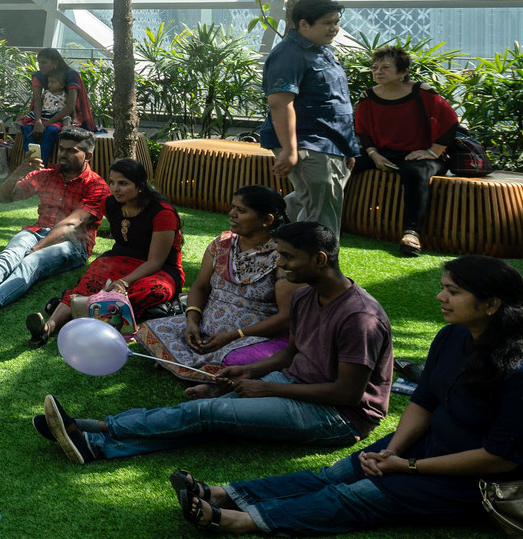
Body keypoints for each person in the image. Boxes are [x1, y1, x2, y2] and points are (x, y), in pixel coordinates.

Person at [176, 255, 523, 537]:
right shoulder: (455, 335)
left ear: (492, 304)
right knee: (338, 473)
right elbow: (424, 399)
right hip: (425, 447)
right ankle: (224, 493)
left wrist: (408, 468)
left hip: (470, 480)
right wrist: (396, 449)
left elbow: (497, 460)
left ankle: (242, 520)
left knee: (358, 495)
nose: (440, 298)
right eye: (444, 288)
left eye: (454, 292)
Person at [38, 221, 391, 464]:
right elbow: (290, 352)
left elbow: (347, 394)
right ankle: (95, 444)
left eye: (287, 258)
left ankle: (102, 429)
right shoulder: (303, 298)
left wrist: (267, 390)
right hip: (296, 383)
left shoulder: (360, 317)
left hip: (339, 417)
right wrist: (241, 375)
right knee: (207, 411)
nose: (280, 266)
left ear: (320, 260)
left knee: (211, 414)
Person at [0, 127, 108, 327]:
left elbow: (72, 224)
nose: (63, 154)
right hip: (36, 231)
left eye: (71, 150)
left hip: (74, 244)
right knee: (10, 253)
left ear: (88, 155)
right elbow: (3, 197)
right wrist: (21, 169)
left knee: (32, 262)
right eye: (62, 149)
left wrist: (35, 249)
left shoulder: (97, 186)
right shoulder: (47, 175)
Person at [135, 185, 294, 388]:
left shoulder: (282, 256)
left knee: (237, 359)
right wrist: (192, 320)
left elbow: (286, 317)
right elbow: (200, 287)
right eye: (233, 207)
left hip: (250, 337)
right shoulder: (221, 244)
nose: (232, 214)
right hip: (206, 329)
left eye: (241, 211)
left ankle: (184, 363)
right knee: (150, 329)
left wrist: (233, 336)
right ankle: (199, 365)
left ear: (267, 220)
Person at [25, 157, 184, 347]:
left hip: (159, 269)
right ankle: (47, 328)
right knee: (90, 282)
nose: (115, 188)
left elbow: (155, 261)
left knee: (154, 291)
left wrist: (123, 282)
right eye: (112, 182)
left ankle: (81, 310)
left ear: (140, 185)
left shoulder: (162, 213)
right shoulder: (110, 204)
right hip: (118, 259)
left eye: (123, 183)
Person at [258, 0, 357, 236]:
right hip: (308, 143)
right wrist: (290, 150)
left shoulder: (322, 50)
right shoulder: (289, 55)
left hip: (331, 143)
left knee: (308, 202)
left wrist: (347, 148)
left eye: (336, 22)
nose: (334, 28)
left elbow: (334, 101)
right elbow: (280, 104)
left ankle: (268, 244)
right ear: (304, 24)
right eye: (327, 23)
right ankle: (321, 270)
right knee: (323, 217)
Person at [354, 45, 459, 255]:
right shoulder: (368, 97)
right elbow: (362, 131)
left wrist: (431, 152)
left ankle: (412, 233)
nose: (378, 72)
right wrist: (374, 155)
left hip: (422, 155)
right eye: (374, 68)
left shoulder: (423, 92)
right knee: (345, 164)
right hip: (382, 153)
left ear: (403, 72)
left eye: (385, 67)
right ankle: (333, 221)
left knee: (414, 172)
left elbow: (450, 122)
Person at [20, 48, 96, 165]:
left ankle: (40, 164)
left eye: (44, 62)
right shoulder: (38, 76)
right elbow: (37, 101)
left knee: (51, 130)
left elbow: (70, 107)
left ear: (55, 63)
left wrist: (45, 124)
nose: (40, 65)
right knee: (28, 129)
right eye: (39, 62)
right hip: (43, 114)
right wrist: (38, 121)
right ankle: (30, 163)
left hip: (65, 116)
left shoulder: (71, 75)